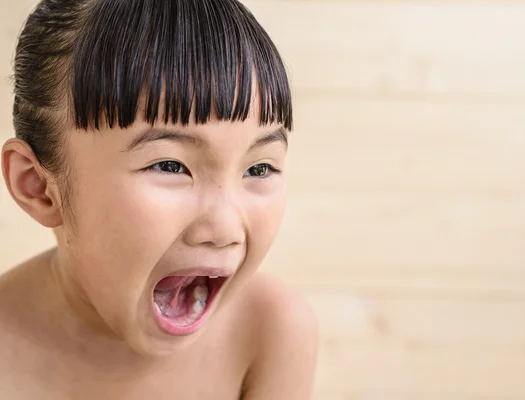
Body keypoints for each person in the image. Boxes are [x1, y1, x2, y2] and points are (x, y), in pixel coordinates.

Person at [0, 0, 318, 398]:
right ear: (39, 187)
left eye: (258, 169)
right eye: (169, 165)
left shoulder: (270, 331)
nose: (224, 230)